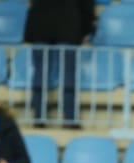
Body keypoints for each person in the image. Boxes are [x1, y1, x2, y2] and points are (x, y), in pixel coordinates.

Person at [23, 0, 94, 128]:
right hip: (68, 24)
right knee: (68, 75)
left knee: (40, 73)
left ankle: (39, 117)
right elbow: (87, 5)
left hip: (40, 24)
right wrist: (86, 29)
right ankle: (69, 119)